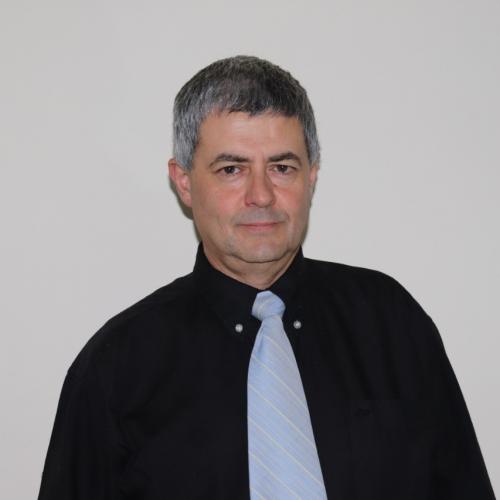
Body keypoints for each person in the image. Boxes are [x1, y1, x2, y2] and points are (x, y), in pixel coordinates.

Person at [38, 55, 495, 500]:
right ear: (184, 182)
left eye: (281, 167)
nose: (261, 195)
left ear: (311, 177)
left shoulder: (392, 324)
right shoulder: (116, 369)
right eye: (231, 169)